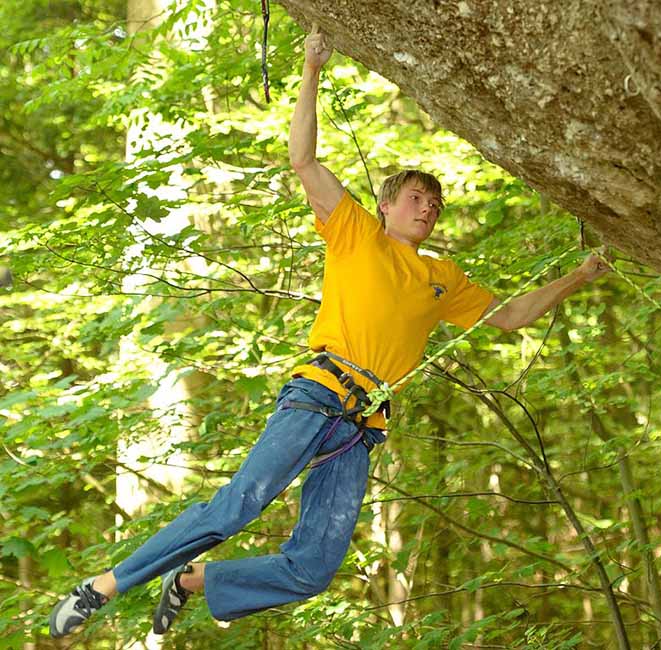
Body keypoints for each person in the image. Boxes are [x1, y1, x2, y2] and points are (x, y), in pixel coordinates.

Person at [48, 30, 610, 639]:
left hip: (361, 426)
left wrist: (580, 276)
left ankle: (190, 580)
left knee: (314, 568)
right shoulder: (356, 233)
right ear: (387, 205)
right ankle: (102, 586)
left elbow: (511, 315)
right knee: (238, 505)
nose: (428, 208)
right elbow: (304, 161)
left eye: (435, 204)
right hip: (318, 394)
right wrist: (312, 68)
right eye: (417, 198)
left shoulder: (443, 278)